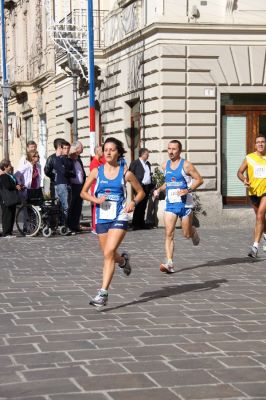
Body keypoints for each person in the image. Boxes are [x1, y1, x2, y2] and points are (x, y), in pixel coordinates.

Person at [81, 137, 145, 307]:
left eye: (112, 149)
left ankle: (103, 293)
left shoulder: (126, 173)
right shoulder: (97, 172)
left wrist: (133, 202)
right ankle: (123, 261)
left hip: (119, 215)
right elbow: (83, 193)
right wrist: (95, 199)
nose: (108, 152)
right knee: (108, 254)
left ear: (118, 153)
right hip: (102, 216)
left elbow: (140, 192)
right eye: (106, 149)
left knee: (109, 252)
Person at [153, 139, 204, 273]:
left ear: (179, 151)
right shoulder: (165, 165)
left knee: (186, 234)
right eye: (169, 149)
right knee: (168, 234)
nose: (171, 151)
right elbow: (168, 183)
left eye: (174, 149)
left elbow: (199, 179)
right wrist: (158, 190)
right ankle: (169, 262)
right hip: (171, 204)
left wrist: (188, 190)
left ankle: (193, 232)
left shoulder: (186, 165)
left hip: (185, 205)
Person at [237, 135, 266, 258]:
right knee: (261, 218)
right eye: (258, 142)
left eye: (263, 142)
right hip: (253, 192)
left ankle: (254, 247)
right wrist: (244, 179)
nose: (260, 144)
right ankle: (265, 235)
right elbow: (239, 172)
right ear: (255, 145)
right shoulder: (249, 158)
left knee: (260, 216)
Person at [129, 148, 154, 230]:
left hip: (147, 187)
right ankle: (135, 224)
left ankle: (141, 223)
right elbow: (130, 174)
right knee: (138, 205)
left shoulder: (148, 164)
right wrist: (135, 184)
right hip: (139, 186)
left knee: (144, 205)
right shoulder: (135, 163)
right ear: (142, 154)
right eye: (147, 154)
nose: (148, 155)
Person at [0, 159, 22, 237]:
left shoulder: (9, 175)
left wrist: (19, 186)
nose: (11, 167)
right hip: (6, 199)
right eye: (9, 165)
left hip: (11, 198)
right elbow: (7, 186)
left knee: (11, 215)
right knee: (7, 215)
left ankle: (9, 232)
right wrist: (15, 186)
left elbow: (13, 183)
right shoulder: (3, 175)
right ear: (5, 167)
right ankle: (6, 233)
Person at [68, 142, 86, 232]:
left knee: (78, 207)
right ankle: (70, 225)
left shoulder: (79, 159)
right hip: (72, 186)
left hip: (80, 186)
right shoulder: (68, 159)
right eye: (80, 151)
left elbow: (81, 172)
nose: (80, 153)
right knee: (71, 206)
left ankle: (75, 224)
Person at [89, 145, 106, 234]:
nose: (103, 152)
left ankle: (102, 225)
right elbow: (96, 175)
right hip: (96, 186)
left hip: (101, 186)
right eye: (102, 150)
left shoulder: (101, 160)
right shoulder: (94, 162)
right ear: (97, 151)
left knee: (101, 206)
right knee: (96, 207)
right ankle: (95, 227)